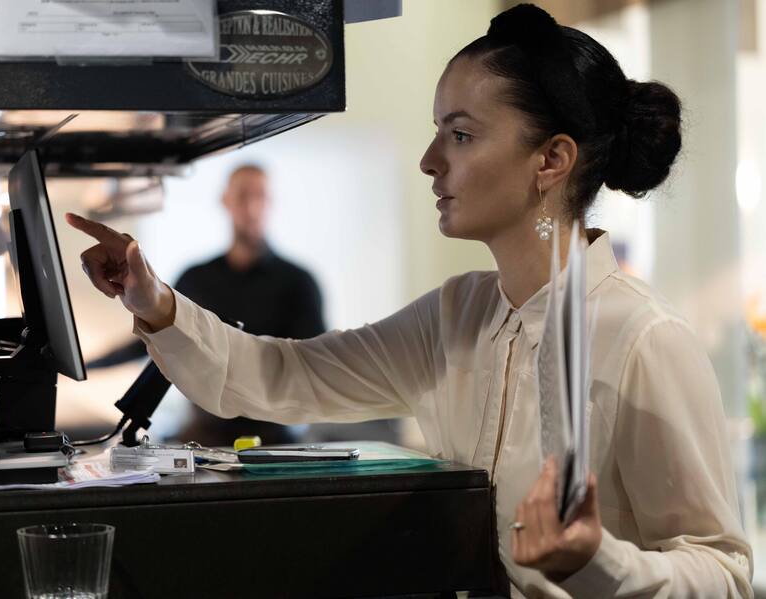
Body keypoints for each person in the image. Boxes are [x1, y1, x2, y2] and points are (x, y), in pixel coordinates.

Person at [66, 4, 752, 597]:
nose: (430, 160)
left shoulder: (645, 340)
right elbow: (285, 375)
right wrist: (153, 298)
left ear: (551, 160)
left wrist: (598, 562)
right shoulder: (457, 315)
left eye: (459, 134)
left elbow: (722, 574)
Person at [88, 164, 326, 446]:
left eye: (259, 196)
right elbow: (154, 339)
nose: (251, 207)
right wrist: (84, 365)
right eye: (242, 196)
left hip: (275, 441)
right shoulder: (195, 278)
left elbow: (314, 362)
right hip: (203, 435)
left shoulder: (299, 282)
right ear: (226, 201)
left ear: (270, 203)